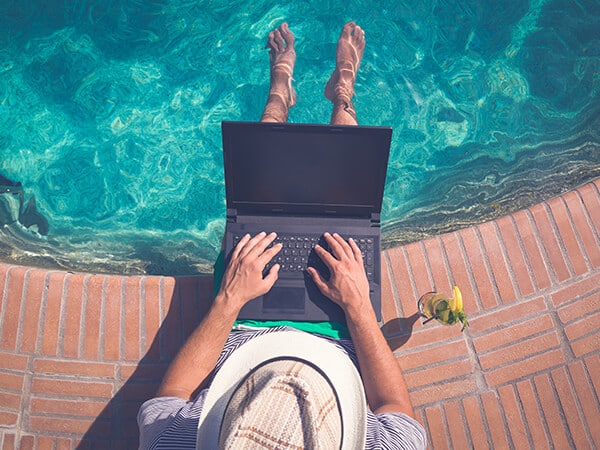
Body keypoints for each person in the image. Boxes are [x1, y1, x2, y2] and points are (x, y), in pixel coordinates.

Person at [137, 22, 427, 449]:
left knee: (256, 205)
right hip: (342, 329)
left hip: (240, 323)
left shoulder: (172, 443)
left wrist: (229, 300)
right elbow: (393, 408)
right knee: (344, 200)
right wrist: (359, 307)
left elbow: (171, 398)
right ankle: (342, 93)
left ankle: (279, 96)